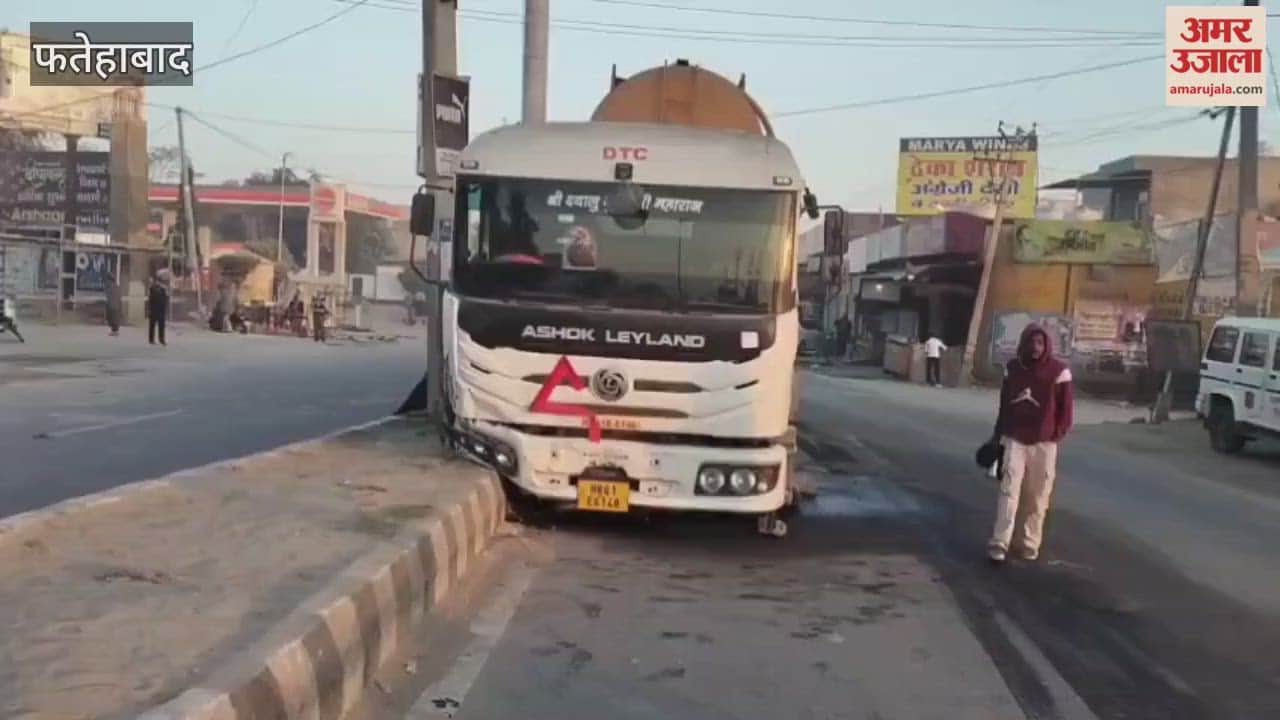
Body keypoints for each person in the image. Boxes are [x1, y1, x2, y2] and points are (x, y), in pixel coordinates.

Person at [987, 324, 1074, 564]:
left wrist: (1055, 435)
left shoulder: (1059, 372)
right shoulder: (1013, 369)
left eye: (1040, 343)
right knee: (1009, 491)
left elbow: (1066, 412)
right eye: (1032, 343)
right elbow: (1004, 405)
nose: (1036, 348)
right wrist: (998, 436)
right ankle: (1000, 542)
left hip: (1045, 443)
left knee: (1038, 496)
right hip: (1015, 439)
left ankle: (1028, 543)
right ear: (1024, 344)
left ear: (1046, 346)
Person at [146, 275, 169, 346]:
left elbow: (166, 299)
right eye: (157, 282)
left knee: (161, 326)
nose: (158, 283)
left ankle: (161, 339)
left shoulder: (163, 289)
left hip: (161, 310)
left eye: (159, 282)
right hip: (153, 310)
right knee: (152, 326)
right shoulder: (152, 289)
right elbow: (150, 300)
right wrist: (148, 309)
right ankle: (151, 340)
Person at [104, 270, 122, 336]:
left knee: (112, 317)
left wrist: (108, 302)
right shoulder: (116, 286)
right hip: (116, 305)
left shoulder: (109, 286)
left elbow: (109, 295)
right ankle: (115, 330)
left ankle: (115, 331)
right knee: (114, 317)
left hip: (112, 304)